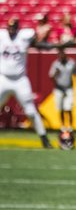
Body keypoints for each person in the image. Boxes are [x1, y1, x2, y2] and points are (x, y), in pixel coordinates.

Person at [0, 18, 52, 147]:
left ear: (17, 28)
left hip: (20, 80)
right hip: (3, 78)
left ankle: (44, 138)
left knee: (30, 111)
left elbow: (38, 42)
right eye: (9, 27)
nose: (11, 30)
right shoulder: (2, 36)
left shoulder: (24, 37)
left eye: (13, 27)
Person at [49, 49, 76, 150]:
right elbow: (51, 77)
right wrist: (56, 73)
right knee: (60, 109)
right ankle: (63, 127)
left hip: (69, 88)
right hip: (58, 89)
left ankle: (70, 127)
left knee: (68, 108)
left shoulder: (72, 63)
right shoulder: (56, 64)